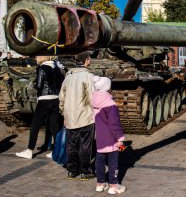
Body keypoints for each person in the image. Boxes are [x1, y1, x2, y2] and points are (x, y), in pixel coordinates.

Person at [16, 56, 63, 159]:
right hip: (55, 99)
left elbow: (39, 85)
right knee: (54, 126)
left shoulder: (42, 68)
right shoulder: (56, 68)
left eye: (38, 56)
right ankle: (56, 151)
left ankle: (29, 151)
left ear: (43, 58)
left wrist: (34, 84)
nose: (36, 58)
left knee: (35, 126)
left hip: (44, 99)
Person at [59, 51, 96, 180]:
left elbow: (62, 97)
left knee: (72, 144)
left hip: (70, 116)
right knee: (85, 145)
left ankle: (72, 170)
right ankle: (85, 171)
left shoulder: (68, 76)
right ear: (86, 61)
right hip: (85, 116)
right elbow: (92, 97)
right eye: (89, 58)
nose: (90, 60)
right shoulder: (87, 76)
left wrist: (63, 112)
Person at [92, 76, 126, 194]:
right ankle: (113, 185)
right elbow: (114, 124)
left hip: (100, 137)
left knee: (99, 161)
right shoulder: (110, 104)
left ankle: (100, 184)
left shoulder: (95, 101)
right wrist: (120, 138)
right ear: (108, 87)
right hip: (112, 138)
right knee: (113, 162)